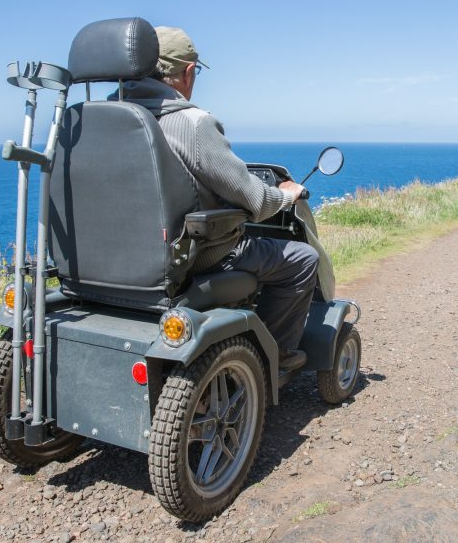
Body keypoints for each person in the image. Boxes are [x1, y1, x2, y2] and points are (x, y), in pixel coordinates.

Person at [114, 26, 317, 370]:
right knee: (302, 258)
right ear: (188, 72)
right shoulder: (193, 124)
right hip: (188, 261)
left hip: (108, 259)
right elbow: (255, 200)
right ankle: (275, 355)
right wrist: (284, 196)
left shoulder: (92, 119)